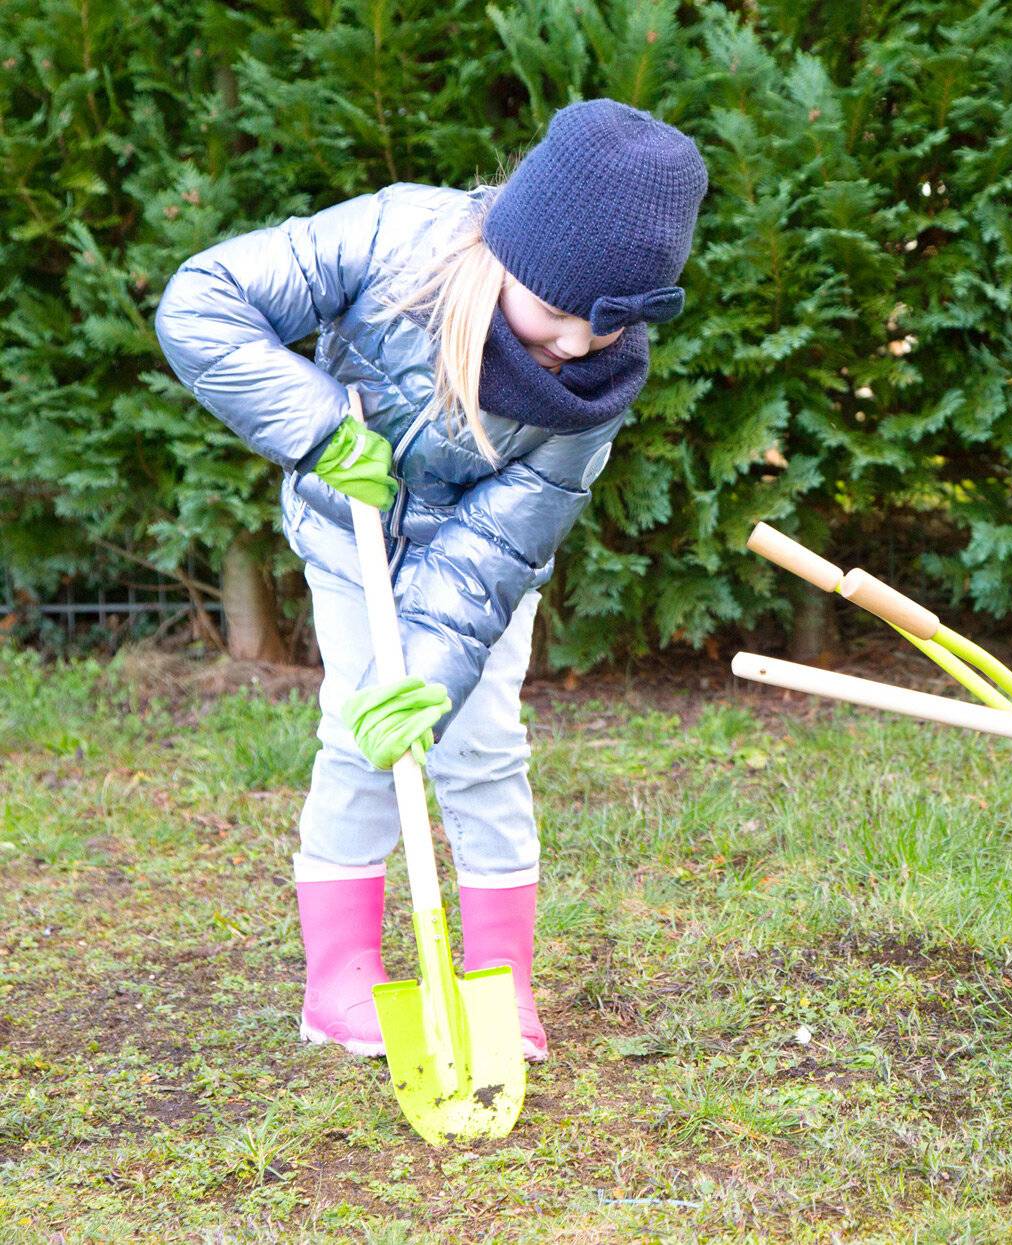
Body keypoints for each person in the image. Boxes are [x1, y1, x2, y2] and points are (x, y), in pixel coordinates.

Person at [154, 99, 708, 1063]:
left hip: (478, 568)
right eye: (560, 313)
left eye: (602, 329)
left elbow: (500, 545)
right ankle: (340, 982)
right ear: (511, 256)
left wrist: (434, 677)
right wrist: (321, 426)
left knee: (479, 744)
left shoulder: (592, 392)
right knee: (360, 731)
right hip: (347, 536)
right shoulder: (394, 238)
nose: (576, 346)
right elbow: (202, 304)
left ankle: (501, 980)